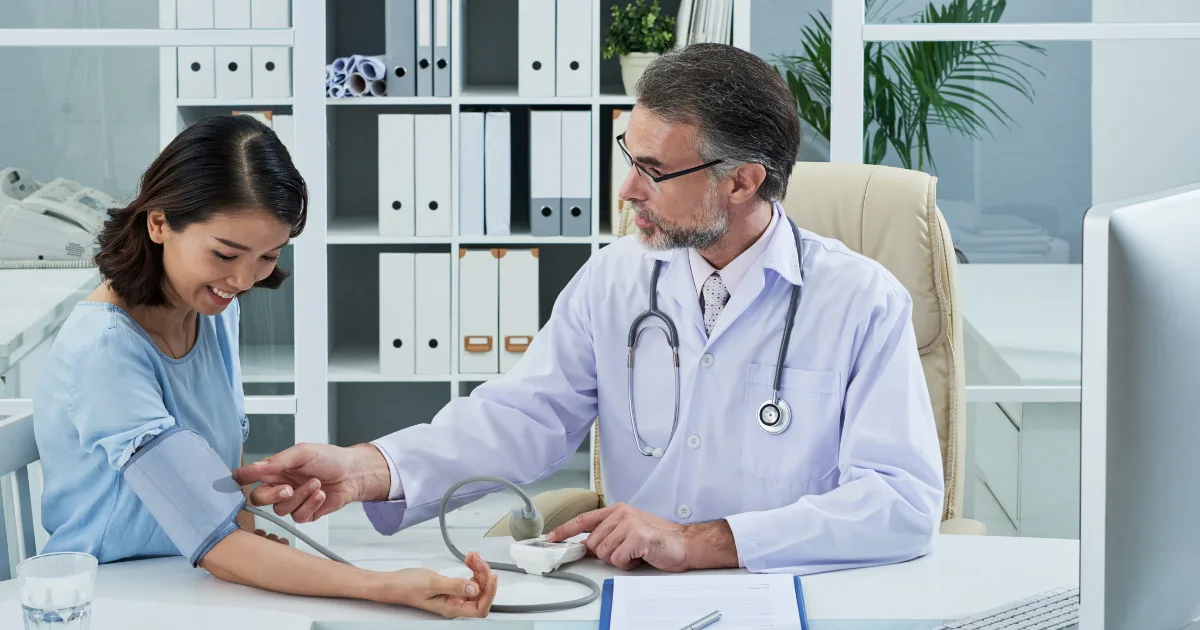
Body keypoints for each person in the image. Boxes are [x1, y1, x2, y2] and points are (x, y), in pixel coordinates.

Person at [235, 43, 945, 575]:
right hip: (638, 600)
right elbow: (520, 419)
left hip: (788, 596)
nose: (626, 190)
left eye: (656, 171)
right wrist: (366, 469)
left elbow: (902, 503)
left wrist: (705, 542)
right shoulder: (615, 281)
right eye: (628, 157)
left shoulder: (860, 302)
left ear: (744, 181)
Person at [33, 115, 497, 618]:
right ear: (159, 222)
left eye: (267, 257)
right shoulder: (106, 351)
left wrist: (251, 497)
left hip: (182, 577)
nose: (243, 279)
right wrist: (388, 587)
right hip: (109, 595)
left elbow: (200, 492)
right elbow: (212, 539)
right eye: (225, 254)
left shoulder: (213, 312)